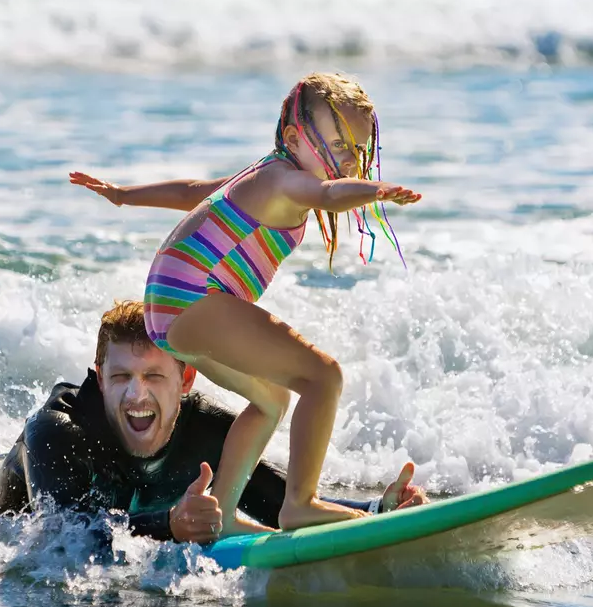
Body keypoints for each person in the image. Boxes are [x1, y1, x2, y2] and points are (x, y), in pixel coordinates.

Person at [68, 72, 420, 535]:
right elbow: (329, 195)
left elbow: (191, 191)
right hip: (194, 296)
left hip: (169, 307)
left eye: (354, 150)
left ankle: (225, 513)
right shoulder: (289, 180)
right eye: (335, 146)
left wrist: (123, 196)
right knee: (324, 377)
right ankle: (300, 504)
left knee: (271, 400)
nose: (346, 162)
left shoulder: (261, 174)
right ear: (294, 137)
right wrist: (375, 191)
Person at [0, 300, 426, 544]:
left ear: (186, 379)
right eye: (120, 378)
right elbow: (62, 533)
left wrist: (376, 511)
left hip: (106, 503)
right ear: (98, 372)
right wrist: (171, 523)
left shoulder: (208, 430)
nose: (136, 396)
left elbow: (275, 500)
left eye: (154, 377)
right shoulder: (57, 428)